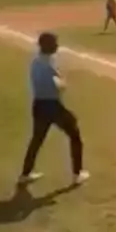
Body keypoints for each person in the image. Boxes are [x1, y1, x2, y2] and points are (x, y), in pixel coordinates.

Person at [19, 32, 88, 186]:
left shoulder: (36, 61)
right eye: (55, 43)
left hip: (38, 105)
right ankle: (77, 174)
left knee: (37, 140)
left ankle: (25, 173)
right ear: (48, 46)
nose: (57, 45)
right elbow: (58, 87)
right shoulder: (49, 65)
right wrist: (64, 81)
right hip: (51, 106)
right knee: (75, 134)